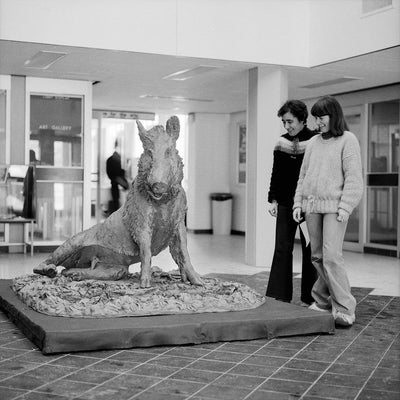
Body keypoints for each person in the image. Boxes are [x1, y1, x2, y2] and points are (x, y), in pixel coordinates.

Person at [293, 95, 363, 327]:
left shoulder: (348, 140)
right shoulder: (313, 143)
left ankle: (344, 308)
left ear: (333, 116)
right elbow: (303, 176)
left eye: (321, 117)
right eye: (316, 118)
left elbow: (354, 178)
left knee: (332, 256)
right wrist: (297, 204)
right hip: (312, 207)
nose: (317, 122)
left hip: (335, 208)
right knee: (317, 256)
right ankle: (322, 300)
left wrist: (346, 206)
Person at [266, 100, 317, 305]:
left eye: (290, 121)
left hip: (309, 205)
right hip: (286, 203)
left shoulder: (315, 141)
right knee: (282, 248)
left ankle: (310, 297)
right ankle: (280, 295)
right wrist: (273, 199)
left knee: (310, 250)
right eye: (284, 122)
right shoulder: (281, 142)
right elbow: (276, 173)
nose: (287, 126)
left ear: (303, 119)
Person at [106, 141, 129, 214]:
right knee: (117, 197)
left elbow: (112, 173)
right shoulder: (114, 160)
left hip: (114, 180)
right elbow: (117, 172)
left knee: (116, 197)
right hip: (116, 179)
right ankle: (119, 212)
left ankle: (118, 212)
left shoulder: (111, 159)